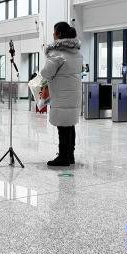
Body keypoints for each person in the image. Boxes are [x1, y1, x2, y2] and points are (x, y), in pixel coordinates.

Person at [40, 22, 83, 166]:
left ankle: (63, 157)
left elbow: (46, 72)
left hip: (62, 95)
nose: (53, 34)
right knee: (70, 125)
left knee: (62, 126)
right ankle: (70, 155)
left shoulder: (57, 54)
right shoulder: (77, 53)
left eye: (54, 32)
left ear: (58, 34)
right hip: (74, 95)